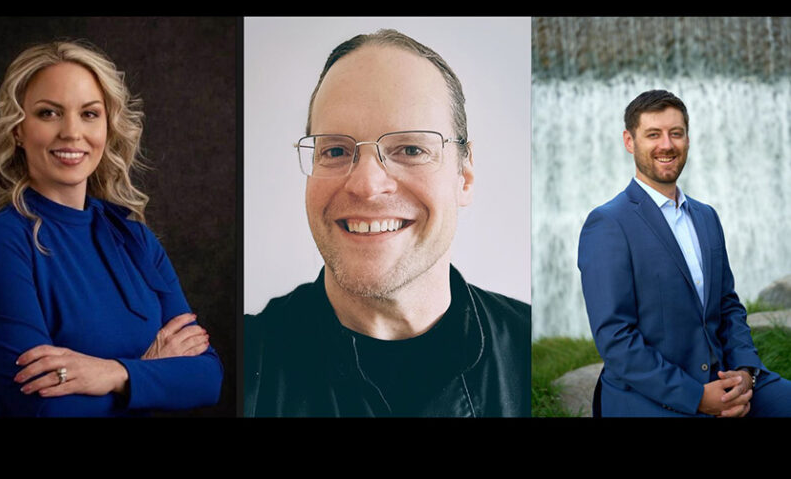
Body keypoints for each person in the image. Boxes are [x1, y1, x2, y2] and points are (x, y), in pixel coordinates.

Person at [244, 29, 530, 417]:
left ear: (464, 176)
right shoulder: (242, 363)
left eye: (410, 149)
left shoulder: (530, 349)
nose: (366, 184)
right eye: (335, 150)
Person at [0, 41, 223, 416]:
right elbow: (43, 408)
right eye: (49, 113)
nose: (71, 132)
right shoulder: (1, 241)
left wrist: (111, 373)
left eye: (89, 114)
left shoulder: (135, 239)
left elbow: (208, 378)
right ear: (18, 128)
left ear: (108, 127)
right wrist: (151, 372)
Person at [578, 89, 791, 417]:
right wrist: (697, 396)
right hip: (651, 395)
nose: (666, 144)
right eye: (653, 134)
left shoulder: (706, 217)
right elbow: (616, 339)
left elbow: (728, 306)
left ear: (687, 139)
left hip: (726, 377)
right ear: (629, 141)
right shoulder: (608, 223)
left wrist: (746, 372)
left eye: (675, 133)